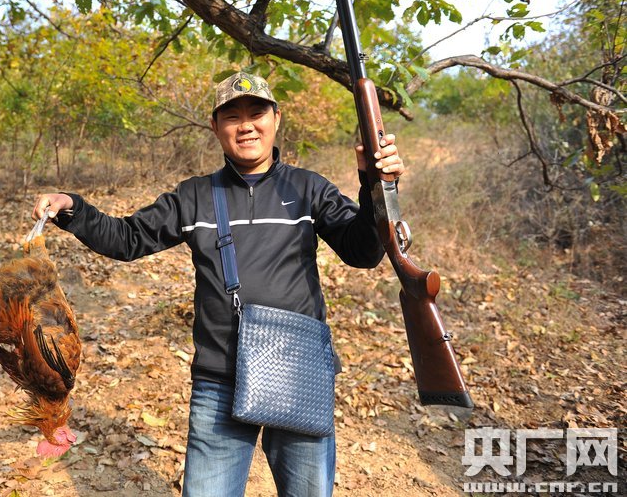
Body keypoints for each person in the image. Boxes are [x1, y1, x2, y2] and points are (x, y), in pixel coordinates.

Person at [32, 71, 404, 497]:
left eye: (256, 113)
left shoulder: (307, 189)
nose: (246, 125)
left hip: (299, 372)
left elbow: (364, 252)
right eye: (232, 116)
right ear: (215, 127)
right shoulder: (194, 196)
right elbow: (128, 239)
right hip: (219, 379)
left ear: (276, 119)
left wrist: (378, 185)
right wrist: (71, 208)